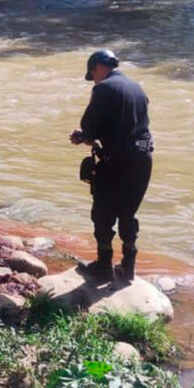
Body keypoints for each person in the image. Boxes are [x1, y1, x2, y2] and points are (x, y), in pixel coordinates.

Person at [70, 49, 153, 283]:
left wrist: (83, 135)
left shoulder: (104, 88)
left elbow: (89, 125)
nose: (93, 80)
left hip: (117, 161)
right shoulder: (137, 88)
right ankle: (128, 268)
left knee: (103, 213)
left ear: (98, 67)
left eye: (92, 75)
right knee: (128, 213)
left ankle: (104, 265)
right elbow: (127, 126)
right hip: (143, 159)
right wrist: (93, 136)